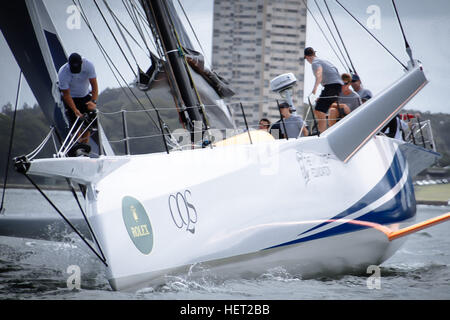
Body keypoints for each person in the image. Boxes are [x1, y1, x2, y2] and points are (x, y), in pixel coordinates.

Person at [58, 53, 98, 145]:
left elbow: (94, 84)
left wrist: (93, 101)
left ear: (81, 63)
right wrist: (75, 110)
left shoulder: (88, 65)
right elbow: (66, 94)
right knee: (76, 124)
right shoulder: (63, 73)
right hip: (71, 98)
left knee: (87, 121)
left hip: (85, 95)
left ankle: (84, 145)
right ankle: (78, 144)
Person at [304, 47, 343, 134]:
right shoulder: (323, 61)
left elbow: (319, 73)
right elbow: (335, 70)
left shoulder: (315, 63)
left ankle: (322, 132)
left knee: (319, 110)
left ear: (307, 57)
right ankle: (323, 130)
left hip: (331, 86)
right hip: (336, 87)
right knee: (321, 109)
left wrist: (314, 89)